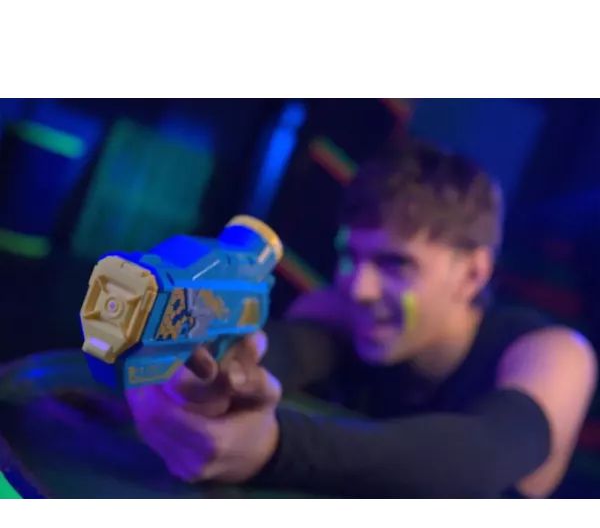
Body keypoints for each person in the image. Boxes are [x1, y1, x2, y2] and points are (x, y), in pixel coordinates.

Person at [126, 139, 597, 498]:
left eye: (395, 265)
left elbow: (486, 453)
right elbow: (281, 352)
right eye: (350, 257)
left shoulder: (553, 354)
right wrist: (207, 387)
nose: (359, 288)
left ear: (472, 273)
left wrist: (273, 447)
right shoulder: (339, 311)